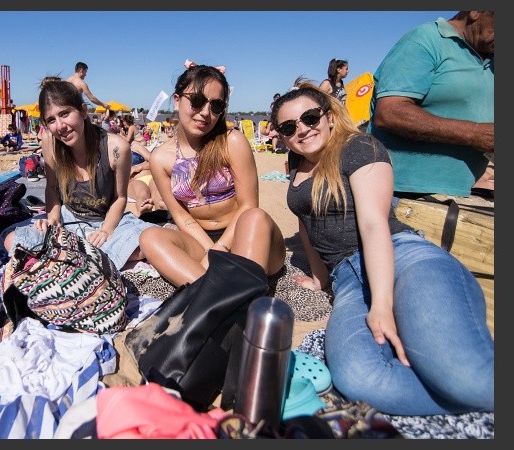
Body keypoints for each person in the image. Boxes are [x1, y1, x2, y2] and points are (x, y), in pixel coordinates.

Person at [271, 82, 493, 416]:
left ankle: (473, 396)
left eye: (310, 117)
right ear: (282, 136)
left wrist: (383, 304)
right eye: (289, 127)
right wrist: (321, 279)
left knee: (465, 378)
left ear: (329, 116)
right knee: (361, 378)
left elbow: (374, 225)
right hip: (348, 281)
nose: (302, 129)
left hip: (404, 259)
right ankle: (473, 404)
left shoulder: (358, 147)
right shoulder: (296, 159)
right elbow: (307, 221)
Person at [138, 61, 287, 287]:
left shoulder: (232, 142)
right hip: (201, 240)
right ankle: (217, 293)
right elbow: (181, 216)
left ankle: (219, 294)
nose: (206, 112)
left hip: (244, 235)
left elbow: (248, 205)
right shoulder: (160, 158)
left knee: (255, 217)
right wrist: (210, 249)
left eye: (216, 106)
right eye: (197, 101)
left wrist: (220, 249)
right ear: (177, 100)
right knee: (150, 237)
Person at [1, 79, 155, 271]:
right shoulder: (50, 142)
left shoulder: (116, 148)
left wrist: (106, 231)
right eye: (51, 120)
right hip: (69, 219)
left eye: (65, 114)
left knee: (145, 245)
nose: (60, 126)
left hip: (106, 220)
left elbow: (120, 198)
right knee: (12, 240)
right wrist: (53, 219)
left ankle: (68, 255)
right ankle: (86, 256)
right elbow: (52, 188)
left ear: (83, 111)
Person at [368, 10, 494, 198]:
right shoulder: (425, 39)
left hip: (465, 190)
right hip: (403, 192)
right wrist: (474, 134)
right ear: (476, 11)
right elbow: (389, 113)